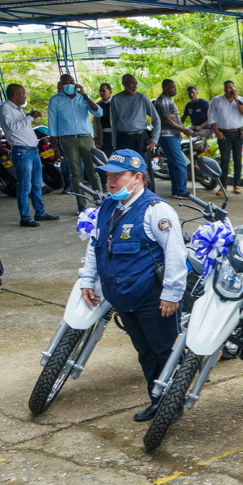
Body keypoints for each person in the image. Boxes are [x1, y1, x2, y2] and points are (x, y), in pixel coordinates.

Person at [78, 149, 187, 422]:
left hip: (153, 295)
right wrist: (86, 280)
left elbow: (176, 255)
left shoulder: (156, 210)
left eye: (118, 175)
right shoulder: (108, 207)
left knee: (165, 350)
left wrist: (172, 294)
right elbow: (96, 246)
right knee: (145, 352)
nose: (110, 181)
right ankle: (156, 399)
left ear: (137, 177)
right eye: (108, 176)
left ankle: (174, 403)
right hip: (123, 296)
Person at [0, 84, 58, 227]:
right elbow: (12, 128)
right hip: (22, 152)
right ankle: (25, 217)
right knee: (24, 186)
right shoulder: (5, 109)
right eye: (23, 94)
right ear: (15, 95)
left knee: (37, 184)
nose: (25, 96)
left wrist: (28, 116)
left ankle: (40, 212)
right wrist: (30, 117)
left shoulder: (18, 109)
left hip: (32, 151)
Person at [48, 74, 103, 212]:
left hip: (86, 138)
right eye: (66, 82)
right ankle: (81, 205)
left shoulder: (83, 98)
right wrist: (55, 148)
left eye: (71, 81)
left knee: (93, 170)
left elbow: (98, 112)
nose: (69, 84)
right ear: (61, 85)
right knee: (75, 173)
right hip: (68, 139)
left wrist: (85, 96)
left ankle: (100, 200)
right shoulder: (55, 100)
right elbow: (52, 125)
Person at [110, 74, 159, 189]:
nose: (135, 86)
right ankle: (129, 193)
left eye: (136, 83)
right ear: (124, 84)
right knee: (125, 169)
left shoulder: (142, 98)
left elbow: (156, 119)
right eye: (132, 83)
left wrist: (154, 140)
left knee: (144, 168)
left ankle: (149, 196)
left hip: (140, 138)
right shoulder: (116, 99)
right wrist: (114, 144)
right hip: (123, 139)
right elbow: (115, 123)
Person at [208, 80, 243, 194]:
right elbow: (211, 117)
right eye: (226, 87)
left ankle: (236, 185)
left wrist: (236, 100)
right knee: (225, 160)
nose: (229, 90)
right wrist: (216, 132)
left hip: (238, 133)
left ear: (234, 88)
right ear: (223, 89)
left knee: (237, 159)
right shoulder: (216, 100)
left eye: (231, 87)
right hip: (223, 134)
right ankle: (223, 186)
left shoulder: (241, 100)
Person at [154, 79, 193, 199]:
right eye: (173, 88)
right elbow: (165, 119)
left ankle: (176, 190)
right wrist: (183, 130)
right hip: (167, 135)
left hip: (172, 135)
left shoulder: (168, 100)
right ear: (166, 88)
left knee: (173, 164)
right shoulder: (163, 101)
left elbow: (173, 118)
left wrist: (179, 131)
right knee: (179, 163)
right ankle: (181, 190)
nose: (175, 90)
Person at [94, 83, 115, 157]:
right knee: (106, 157)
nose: (101, 93)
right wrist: (96, 137)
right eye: (100, 91)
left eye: (104, 91)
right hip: (104, 136)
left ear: (110, 92)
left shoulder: (116, 103)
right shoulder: (98, 105)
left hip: (116, 135)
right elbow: (95, 122)